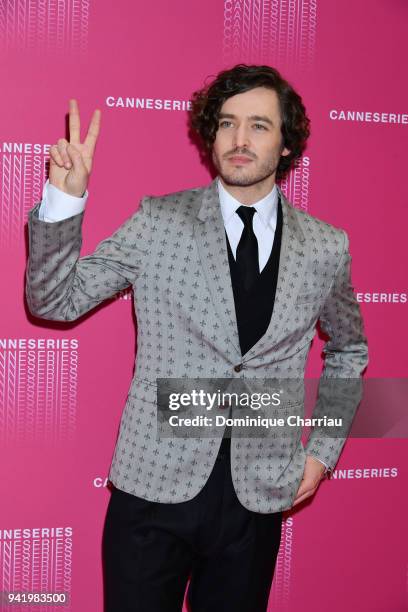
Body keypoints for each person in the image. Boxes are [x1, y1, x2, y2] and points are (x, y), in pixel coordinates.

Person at [25, 64, 368, 612]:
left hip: (258, 495)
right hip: (152, 489)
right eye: (227, 123)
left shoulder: (326, 246)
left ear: (285, 143)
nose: (239, 139)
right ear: (211, 135)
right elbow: (53, 302)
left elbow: (349, 351)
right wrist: (64, 200)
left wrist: (323, 453)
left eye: (259, 125)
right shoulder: (160, 220)